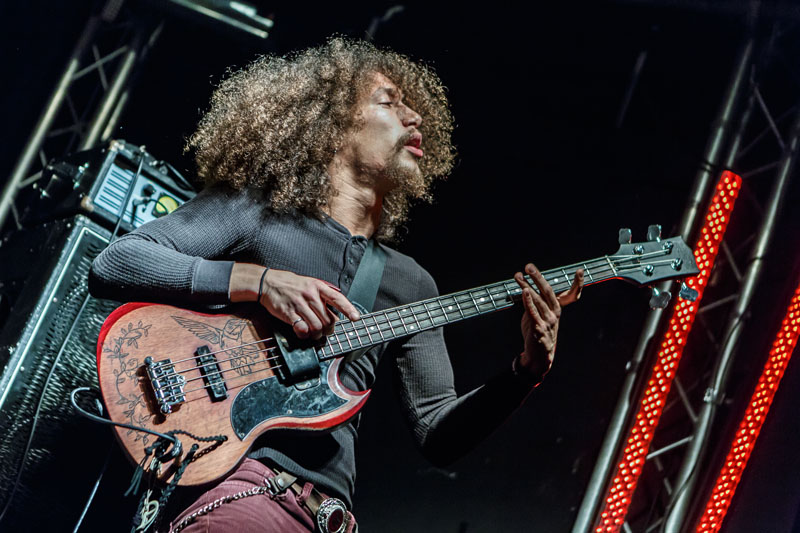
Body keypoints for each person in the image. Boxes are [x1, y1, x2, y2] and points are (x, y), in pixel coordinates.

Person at [89, 37, 583, 533]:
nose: (415, 118)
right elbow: (118, 262)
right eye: (390, 102)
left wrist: (524, 373)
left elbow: (437, 433)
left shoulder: (410, 281)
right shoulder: (258, 212)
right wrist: (259, 282)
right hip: (242, 493)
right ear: (331, 126)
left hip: (330, 519)